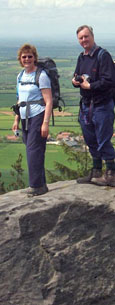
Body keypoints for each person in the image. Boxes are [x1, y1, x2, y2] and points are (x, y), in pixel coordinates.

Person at [72, 25, 115, 186]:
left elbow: (110, 80)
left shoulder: (103, 56)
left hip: (102, 105)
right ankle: (96, 171)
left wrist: (91, 86)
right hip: (86, 106)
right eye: (81, 38)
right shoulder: (81, 57)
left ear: (92, 36)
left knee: (103, 139)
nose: (84, 40)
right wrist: (75, 81)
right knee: (91, 139)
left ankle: (111, 173)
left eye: (86, 36)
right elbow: (78, 75)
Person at [12, 44, 52, 196]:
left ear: (35, 58)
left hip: (38, 115)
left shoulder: (41, 76)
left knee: (33, 151)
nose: (27, 59)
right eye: (24, 57)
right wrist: (16, 120)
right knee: (35, 150)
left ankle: (36, 186)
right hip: (24, 117)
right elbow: (19, 100)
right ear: (20, 60)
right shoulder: (20, 76)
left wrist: (45, 123)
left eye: (30, 56)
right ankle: (41, 184)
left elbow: (48, 101)